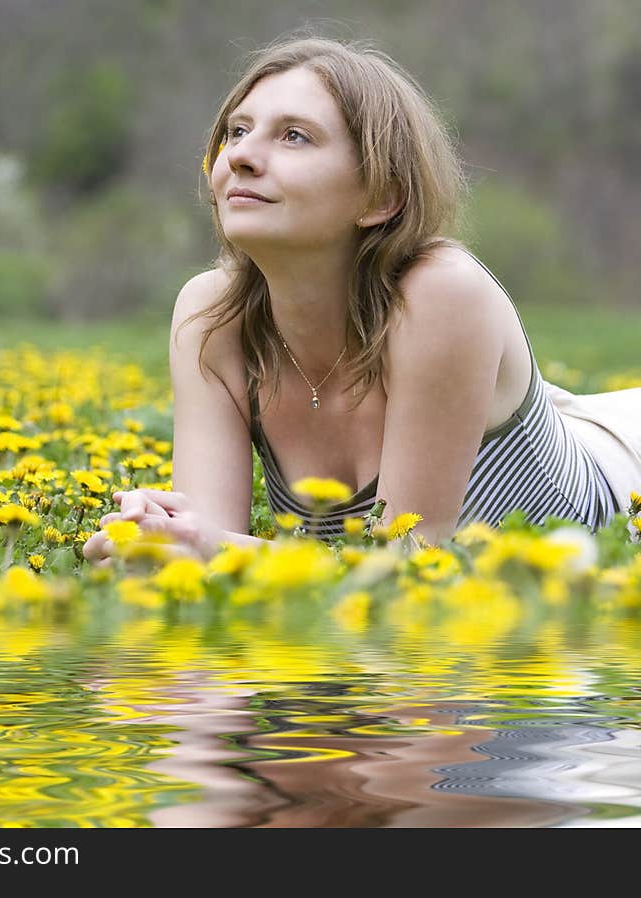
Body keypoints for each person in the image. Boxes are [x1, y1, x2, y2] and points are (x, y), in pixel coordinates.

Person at [83, 34, 640, 568]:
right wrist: (155, 544)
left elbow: (407, 570)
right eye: (237, 130)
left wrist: (208, 547)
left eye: (294, 136)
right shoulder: (212, 316)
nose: (242, 156)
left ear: (381, 196)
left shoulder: (440, 292)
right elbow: (204, 551)